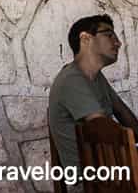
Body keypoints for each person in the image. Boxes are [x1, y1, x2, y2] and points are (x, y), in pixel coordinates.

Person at [48, 14, 138, 173]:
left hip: (110, 172)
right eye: (109, 35)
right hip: (91, 182)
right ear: (85, 38)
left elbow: (124, 114)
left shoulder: (96, 78)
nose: (118, 42)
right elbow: (104, 130)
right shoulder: (71, 79)